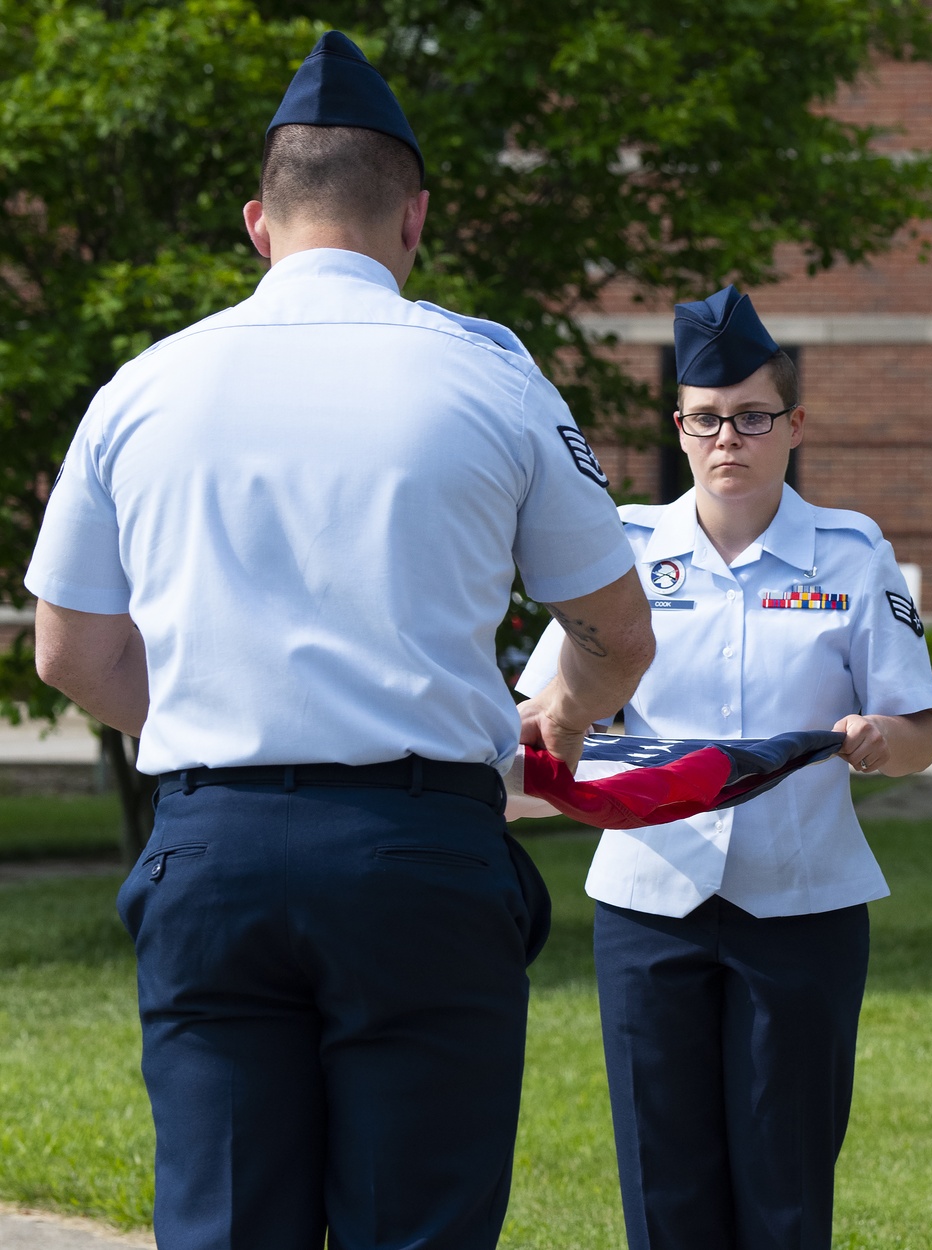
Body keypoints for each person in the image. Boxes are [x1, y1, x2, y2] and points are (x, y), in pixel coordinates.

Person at [24, 32, 655, 1250]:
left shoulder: (142, 387)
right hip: (420, 853)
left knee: (220, 1223)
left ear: (260, 221)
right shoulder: (494, 379)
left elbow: (70, 653)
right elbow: (614, 629)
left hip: (213, 849)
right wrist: (558, 722)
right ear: (413, 219)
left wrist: (223, 707)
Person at [516, 286, 932, 1250]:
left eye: (752, 418)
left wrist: (881, 740)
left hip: (800, 905)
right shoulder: (624, 553)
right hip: (649, 900)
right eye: (706, 420)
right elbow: (541, 712)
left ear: (794, 424)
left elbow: (920, 732)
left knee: (785, 1179)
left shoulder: (850, 553)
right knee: (663, 1182)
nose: (728, 441)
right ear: (679, 427)